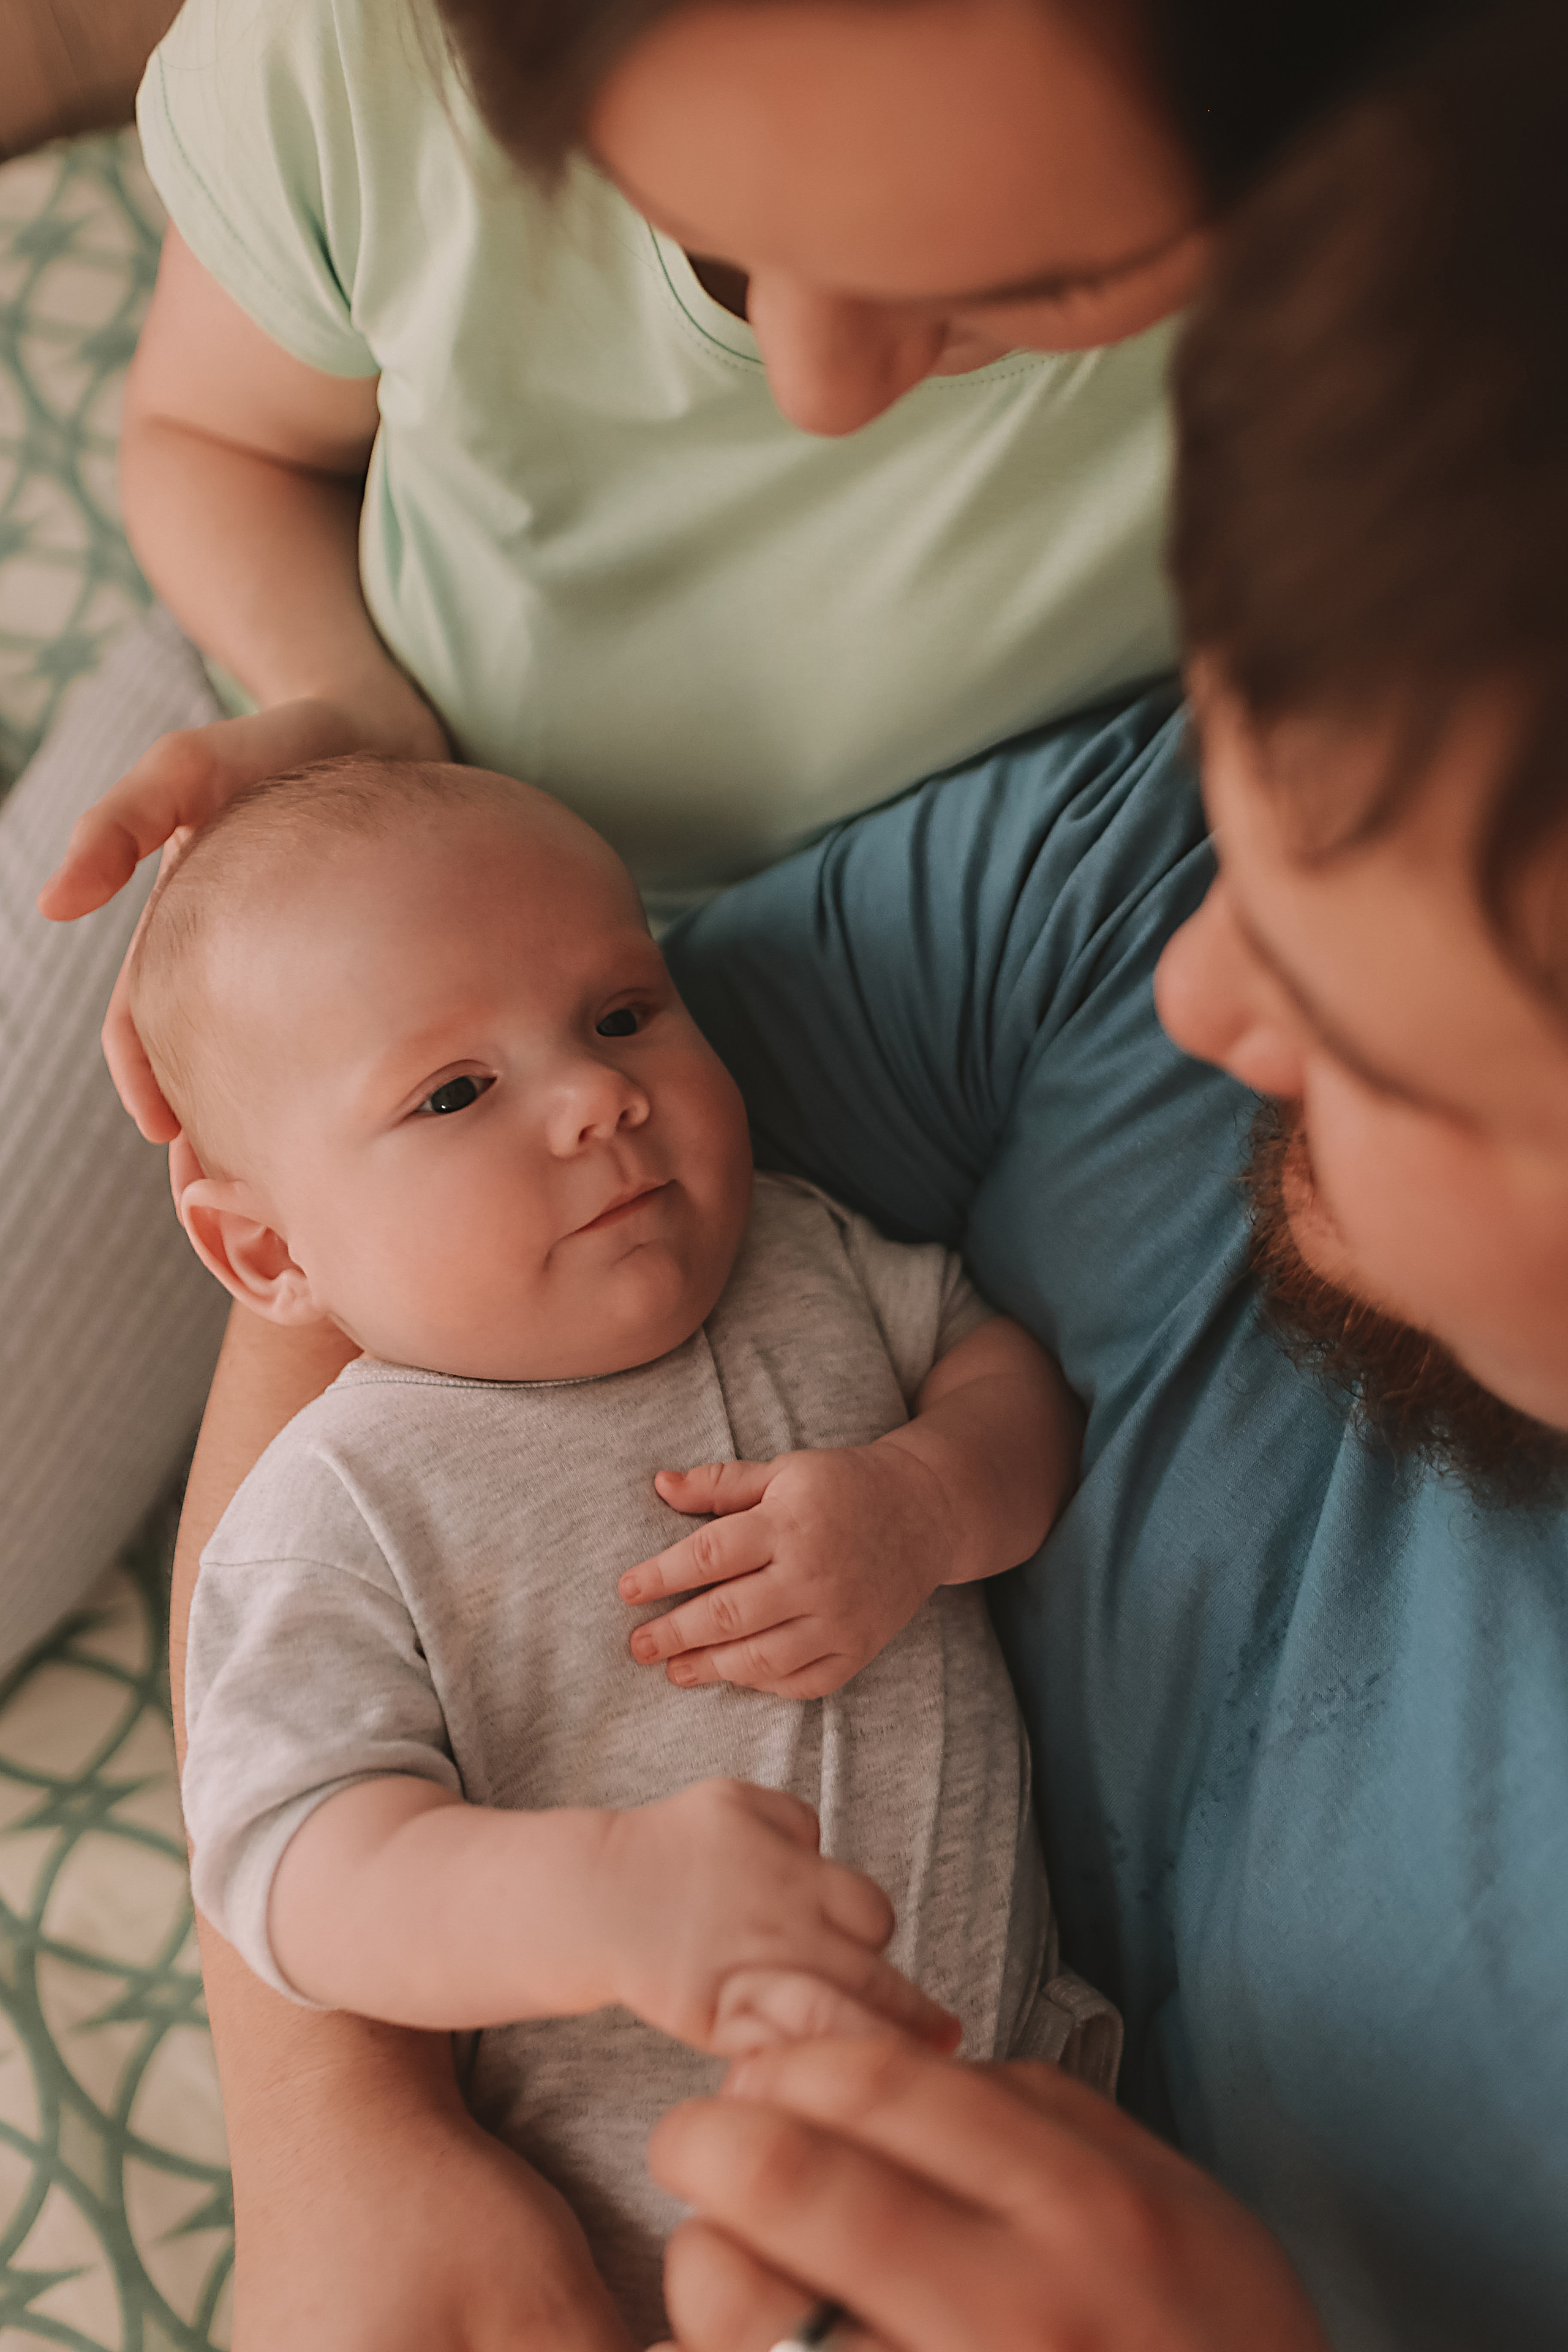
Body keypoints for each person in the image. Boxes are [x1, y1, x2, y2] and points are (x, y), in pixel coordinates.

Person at [21, 0, 1511, 2346]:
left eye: (1017, 278)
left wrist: (912, 1493)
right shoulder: (1116, 902)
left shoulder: (789, 1219)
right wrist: (341, 2134)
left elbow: (969, 1373)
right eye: (713, 239)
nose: (816, 388)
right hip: (396, 759)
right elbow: (284, 1811)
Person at [632, 9, 1568, 2350]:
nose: (1199, 998)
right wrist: (342, 2118)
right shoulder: (1180, 846)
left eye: (1363, 1035)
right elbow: (414, 1171)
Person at [136, 752, 1101, 2342]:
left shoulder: (800, 1256)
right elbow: (288, 1864)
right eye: (456, 1093)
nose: (598, 1097)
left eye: (623, 1013)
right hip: (638, 2260)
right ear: (265, 1248)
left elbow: (1017, 1396)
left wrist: (925, 1501)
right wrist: (595, 1900)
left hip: (1007, 2153)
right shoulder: (337, 1502)